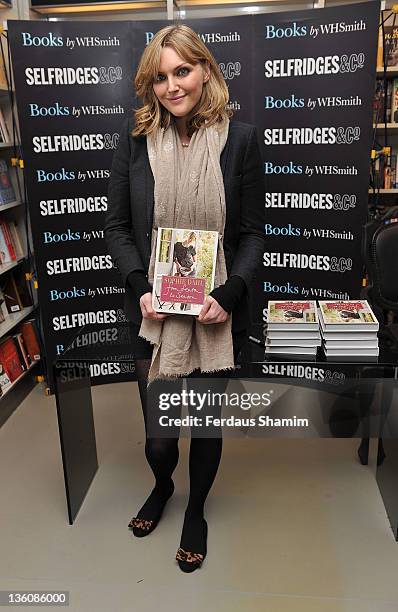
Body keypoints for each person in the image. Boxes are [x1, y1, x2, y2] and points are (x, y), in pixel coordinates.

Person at [105, 24, 265, 572]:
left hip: (214, 314)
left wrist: (229, 293)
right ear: (150, 84)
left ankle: (195, 508)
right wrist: (141, 289)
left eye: (183, 71)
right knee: (159, 439)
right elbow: (118, 229)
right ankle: (163, 483)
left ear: (205, 72)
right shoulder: (132, 147)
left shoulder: (240, 140)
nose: (173, 86)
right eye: (161, 76)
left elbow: (252, 235)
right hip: (153, 317)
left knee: (206, 426)